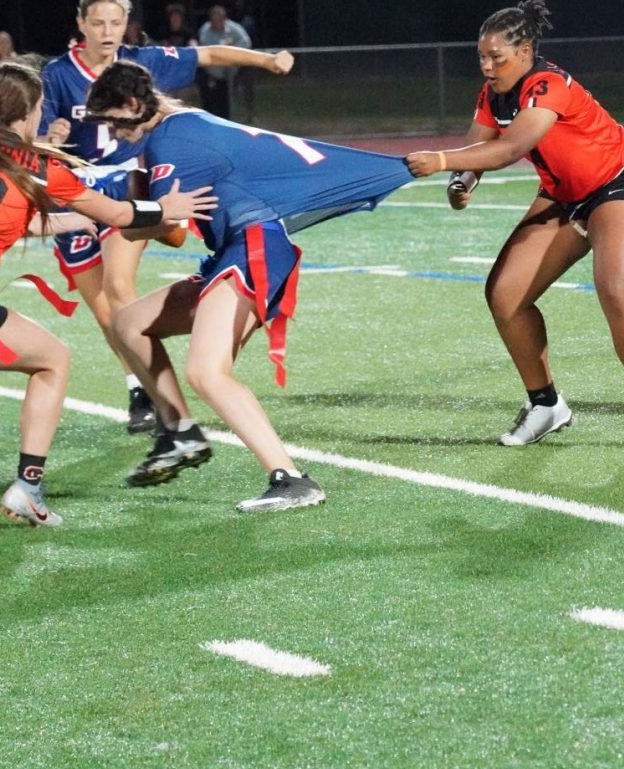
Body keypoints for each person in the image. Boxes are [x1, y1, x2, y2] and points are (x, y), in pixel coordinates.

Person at [0, 58, 216, 527]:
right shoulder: (41, 166)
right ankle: (28, 487)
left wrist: (72, 220)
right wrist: (165, 207)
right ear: (29, 112)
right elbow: (119, 215)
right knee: (54, 360)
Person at [84, 60, 413, 511]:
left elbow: (174, 228)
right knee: (129, 323)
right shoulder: (176, 128)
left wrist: (120, 212)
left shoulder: (167, 140)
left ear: (132, 105)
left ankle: (292, 479)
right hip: (235, 251)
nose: (111, 134)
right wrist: (134, 208)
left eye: (112, 122)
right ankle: (179, 433)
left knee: (206, 371)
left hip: (251, 249)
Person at [405, 0, 624, 454]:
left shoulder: (548, 84)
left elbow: (513, 146)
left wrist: (442, 160)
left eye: (498, 57)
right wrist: (461, 180)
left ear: (525, 53)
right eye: (482, 57)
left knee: (614, 288)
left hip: (619, 183)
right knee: (505, 296)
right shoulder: (491, 94)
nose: (488, 67)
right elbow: (479, 147)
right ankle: (546, 405)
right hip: (563, 195)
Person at [39, 0, 296, 435]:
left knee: (120, 285)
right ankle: (139, 385)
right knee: (103, 308)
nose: (107, 31)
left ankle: (162, 403)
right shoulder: (58, 75)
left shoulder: (142, 62)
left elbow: (209, 56)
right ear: (80, 24)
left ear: (126, 24)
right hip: (79, 194)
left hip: (127, 185)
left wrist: (267, 59)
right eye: (97, 22)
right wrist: (51, 139)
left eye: (115, 22)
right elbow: (35, 140)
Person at [197, 4, 253, 119]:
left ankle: (240, 116)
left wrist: (232, 53)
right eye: (214, 20)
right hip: (212, 72)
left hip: (231, 71)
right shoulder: (205, 30)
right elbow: (206, 48)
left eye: (219, 20)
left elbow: (246, 42)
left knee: (226, 105)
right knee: (210, 101)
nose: (217, 23)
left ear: (224, 19)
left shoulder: (234, 28)